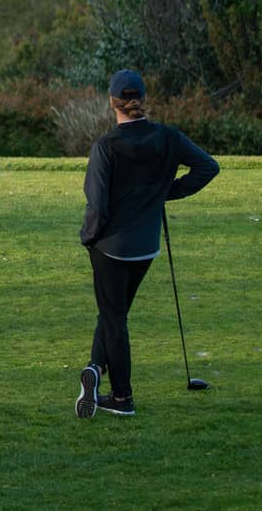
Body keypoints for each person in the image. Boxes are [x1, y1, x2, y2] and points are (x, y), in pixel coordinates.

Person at [75, 69, 219, 418]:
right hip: (146, 246)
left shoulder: (106, 146)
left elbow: (97, 204)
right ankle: (95, 368)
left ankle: (122, 399)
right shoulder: (167, 138)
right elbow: (207, 167)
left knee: (113, 318)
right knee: (114, 313)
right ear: (142, 100)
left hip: (110, 247)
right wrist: (165, 192)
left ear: (112, 103)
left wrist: (88, 238)